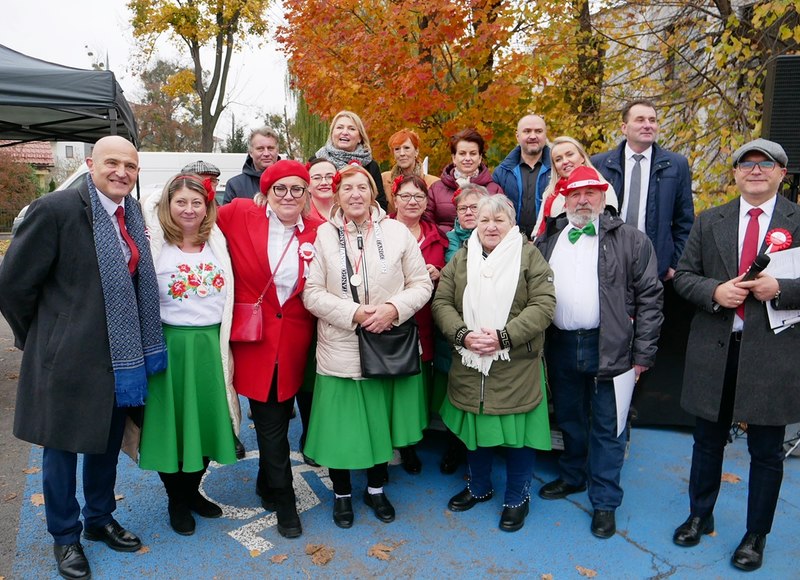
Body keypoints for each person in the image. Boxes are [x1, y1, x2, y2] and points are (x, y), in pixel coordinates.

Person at [0, 136, 167, 580]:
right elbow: (13, 287)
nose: (121, 172)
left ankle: (98, 519)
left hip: (118, 359)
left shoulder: (129, 216)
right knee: (61, 452)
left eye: (130, 166)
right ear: (91, 164)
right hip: (67, 360)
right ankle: (65, 536)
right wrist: (43, 336)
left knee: (105, 446)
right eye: (112, 163)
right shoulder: (55, 209)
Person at [671, 139, 800, 572]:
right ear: (736, 174)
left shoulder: (798, 222)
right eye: (747, 164)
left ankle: (755, 534)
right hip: (716, 349)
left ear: (783, 173)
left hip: (773, 355)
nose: (757, 170)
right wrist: (714, 291)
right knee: (707, 442)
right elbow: (683, 278)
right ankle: (698, 514)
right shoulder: (710, 222)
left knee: (766, 450)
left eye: (767, 164)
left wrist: (781, 290)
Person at [534, 165, 663, 539]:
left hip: (611, 345)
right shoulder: (549, 240)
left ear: (603, 197)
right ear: (565, 200)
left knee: (609, 425)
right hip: (560, 344)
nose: (583, 200)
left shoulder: (632, 240)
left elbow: (651, 300)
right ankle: (573, 476)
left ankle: (605, 501)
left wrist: (643, 355)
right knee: (571, 418)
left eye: (591, 192)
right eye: (575, 193)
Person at [302, 163, 432, 529]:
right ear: (337, 195)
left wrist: (392, 309)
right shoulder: (323, 236)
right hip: (340, 347)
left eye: (363, 187)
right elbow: (312, 294)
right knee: (341, 430)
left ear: (374, 193)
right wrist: (355, 313)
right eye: (348, 189)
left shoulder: (397, 233)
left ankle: (375, 488)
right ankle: (342, 494)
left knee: (380, 425)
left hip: (387, 343)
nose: (355, 194)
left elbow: (421, 284)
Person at [432, 194, 555, 533]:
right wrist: (462, 335)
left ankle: (517, 496)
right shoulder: (462, 256)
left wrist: (503, 337)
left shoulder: (529, 255)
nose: (490, 226)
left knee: (518, 437)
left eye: (498, 220)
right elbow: (442, 301)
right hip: (470, 364)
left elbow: (544, 305)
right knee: (476, 430)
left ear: (512, 224)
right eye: (484, 219)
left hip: (515, 366)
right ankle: (479, 486)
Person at [216, 160, 324, 539]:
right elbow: (189, 212)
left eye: (297, 189)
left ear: (308, 193)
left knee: (278, 414)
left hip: (298, 340)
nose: (289, 196)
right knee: (270, 418)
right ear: (265, 193)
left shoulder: (318, 230)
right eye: (280, 189)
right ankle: (284, 499)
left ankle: (266, 482)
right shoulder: (240, 214)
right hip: (255, 338)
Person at [139, 174, 239, 536]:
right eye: (180, 201)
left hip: (211, 346)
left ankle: (192, 491)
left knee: (211, 423)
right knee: (173, 428)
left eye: (197, 202)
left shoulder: (217, 242)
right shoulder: (156, 244)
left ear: (207, 206)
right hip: (170, 347)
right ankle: (176, 500)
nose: (189, 209)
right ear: (167, 205)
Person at [591, 99, 694, 281]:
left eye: (652, 120)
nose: (648, 125)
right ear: (624, 128)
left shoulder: (676, 165)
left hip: (656, 267)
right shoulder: (600, 164)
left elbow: (684, 222)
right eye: (640, 120)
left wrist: (675, 264)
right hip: (607, 263)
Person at [390, 174, 448, 473]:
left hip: (424, 321)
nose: (412, 202)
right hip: (390, 324)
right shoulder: (381, 230)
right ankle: (391, 444)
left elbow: (449, 272)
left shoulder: (436, 235)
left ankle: (409, 443)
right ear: (395, 198)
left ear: (427, 202)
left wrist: (439, 272)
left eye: (419, 197)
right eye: (406, 196)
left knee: (416, 388)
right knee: (391, 386)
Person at [436, 184, 489, 474]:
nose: (469, 213)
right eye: (463, 208)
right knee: (453, 391)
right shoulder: (449, 240)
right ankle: (455, 446)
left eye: (475, 208)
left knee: (478, 390)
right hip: (453, 328)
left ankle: (478, 452)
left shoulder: (498, 238)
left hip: (485, 328)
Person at [532, 136, 618, 239]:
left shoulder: (603, 188)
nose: (565, 161)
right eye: (558, 159)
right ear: (555, 166)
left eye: (570, 155)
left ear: (582, 157)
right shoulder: (551, 193)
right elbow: (538, 228)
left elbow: (611, 224)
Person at [426, 128, 503, 234]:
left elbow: (502, 223)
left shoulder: (494, 189)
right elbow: (427, 224)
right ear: (454, 158)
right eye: (462, 153)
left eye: (472, 153)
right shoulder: (436, 189)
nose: (467, 158)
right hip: (445, 245)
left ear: (480, 158)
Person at [492, 114, 551, 239]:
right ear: (517, 136)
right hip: (509, 243)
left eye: (538, 131)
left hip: (548, 242)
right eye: (527, 131)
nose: (533, 136)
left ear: (545, 135)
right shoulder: (501, 173)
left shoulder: (557, 169)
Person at [315, 110, 387, 209]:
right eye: (339, 127)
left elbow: (380, 203)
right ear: (332, 134)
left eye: (351, 129)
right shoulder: (318, 161)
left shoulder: (370, 166)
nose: (344, 132)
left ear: (360, 138)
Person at [381, 128, 440, 212]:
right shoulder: (384, 179)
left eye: (406, 148)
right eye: (397, 149)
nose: (402, 153)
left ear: (416, 151)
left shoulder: (434, 183)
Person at [223, 127, 281, 204]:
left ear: (277, 151)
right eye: (260, 149)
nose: (266, 154)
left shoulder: (291, 181)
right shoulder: (235, 185)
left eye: (270, 148)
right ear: (250, 152)